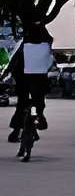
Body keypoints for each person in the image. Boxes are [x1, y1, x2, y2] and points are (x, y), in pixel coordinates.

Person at [7, 30, 51, 161]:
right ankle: (38, 122)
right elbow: (49, 63)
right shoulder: (44, 46)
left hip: (26, 84)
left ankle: (18, 130)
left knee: (23, 106)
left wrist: (8, 76)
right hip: (37, 84)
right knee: (37, 106)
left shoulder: (24, 47)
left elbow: (13, 64)